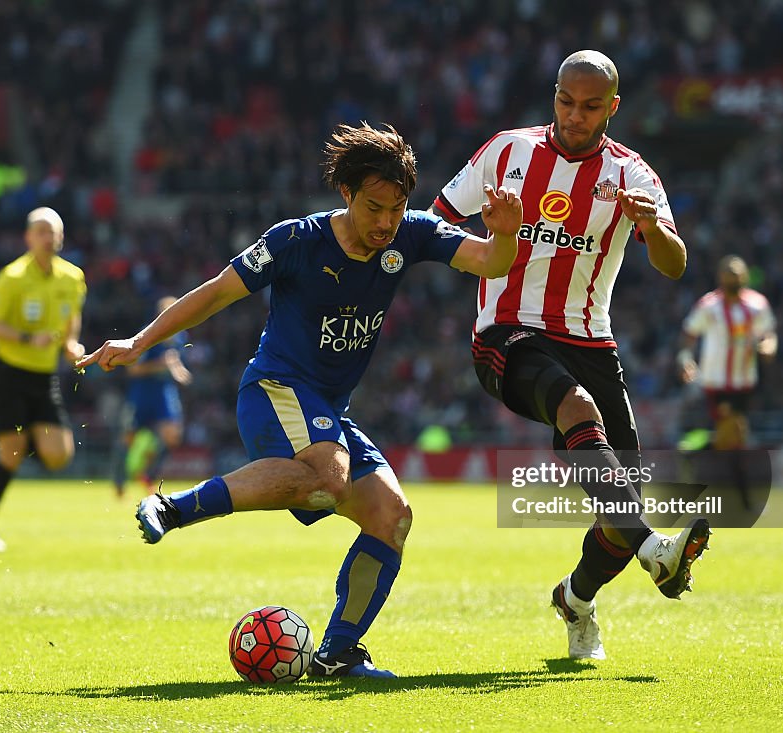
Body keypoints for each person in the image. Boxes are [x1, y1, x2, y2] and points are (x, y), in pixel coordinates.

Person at [78, 123, 522, 678]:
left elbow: (491, 262)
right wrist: (140, 341)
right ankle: (172, 508)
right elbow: (217, 291)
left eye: (397, 206)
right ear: (346, 193)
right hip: (275, 390)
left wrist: (505, 235)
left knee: (392, 516)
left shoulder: (413, 234)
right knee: (330, 476)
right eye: (374, 206)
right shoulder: (296, 240)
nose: (386, 221)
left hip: (328, 410)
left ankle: (337, 654)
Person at [431, 50, 710, 661]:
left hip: (591, 340)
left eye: (589, 107)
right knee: (574, 407)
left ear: (612, 107)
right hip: (505, 331)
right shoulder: (506, 152)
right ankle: (654, 550)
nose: (574, 117)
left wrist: (654, 229)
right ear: (552, 95)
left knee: (618, 507)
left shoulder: (633, 176)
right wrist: (491, 241)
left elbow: (675, 265)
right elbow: (436, 224)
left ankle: (576, 600)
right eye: (565, 102)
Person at [0, 207, 86, 551]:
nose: (49, 238)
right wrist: (24, 337)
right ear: (29, 237)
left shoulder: (72, 277)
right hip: (8, 371)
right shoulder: (12, 277)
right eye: (42, 231)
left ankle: (1, 428)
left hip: (43, 374)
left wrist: (70, 344)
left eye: (55, 232)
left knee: (58, 455)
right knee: (12, 454)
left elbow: (72, 316)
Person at [677, 255, 777, 507]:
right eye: (728, 273)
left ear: (744, 276)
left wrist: (769, 347)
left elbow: (768, 335)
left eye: (737, 273)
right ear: (720, 276)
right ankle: (746, 502)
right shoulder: (709, 306)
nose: (733, 277)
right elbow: (688, 337)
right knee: (735, 438)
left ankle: (692, 448)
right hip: (718, 383)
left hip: (744, 383)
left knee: (732, 442)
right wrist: (685, 359)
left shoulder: (756, 305)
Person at [113, 296, 193, 497]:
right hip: (142, 394)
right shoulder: (147, 334)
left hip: (164, 393)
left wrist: (179, 371)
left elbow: (176, 363)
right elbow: (133, 371)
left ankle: (148, 475)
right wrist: (160, 365)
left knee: (172, 436)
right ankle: (119, 482)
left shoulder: (180, 337)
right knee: (128, 438)